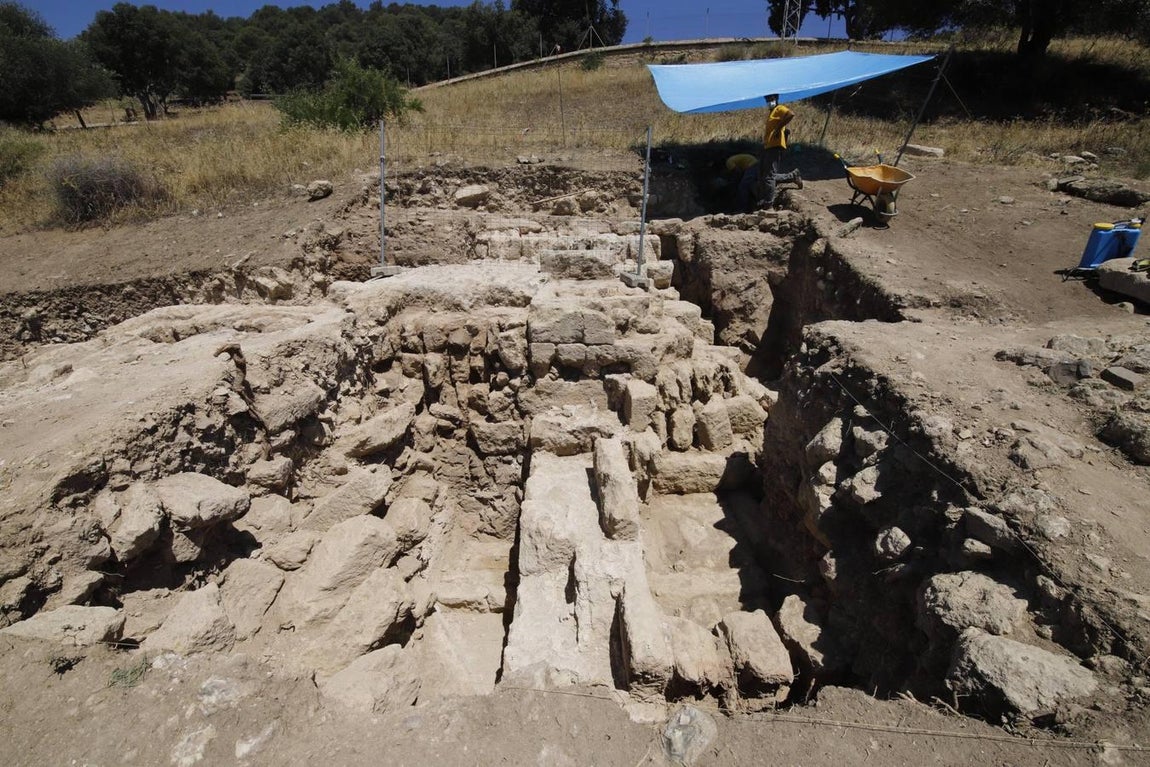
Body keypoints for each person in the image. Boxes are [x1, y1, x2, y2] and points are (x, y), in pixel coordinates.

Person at [757, 94, 803, 208]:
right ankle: (793, 176)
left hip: (775, 146)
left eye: (771, 99)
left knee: (769, 177)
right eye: (767, 99)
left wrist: (778, 129)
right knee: (765, 175)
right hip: (769, 146)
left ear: (776, 99)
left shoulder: (779, 108)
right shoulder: (772, 112)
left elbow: (790, 114)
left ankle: (768, 203)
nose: (769, 101)